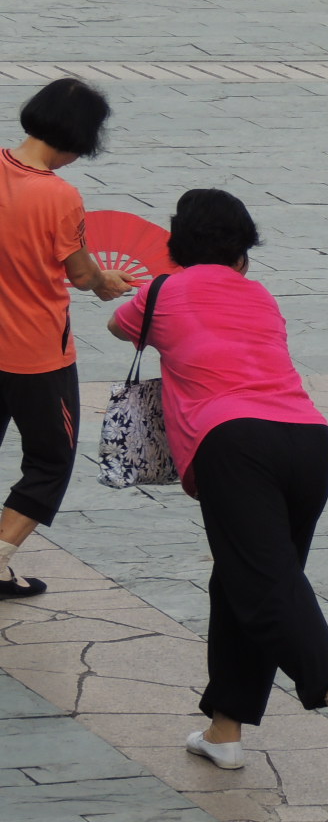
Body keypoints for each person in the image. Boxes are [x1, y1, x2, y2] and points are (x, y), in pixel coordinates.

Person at [108, 190, 328, 796]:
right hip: (309, 440)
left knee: (263, 584)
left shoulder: (161, 292)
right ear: (243, 253)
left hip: (234, 442)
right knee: (248, 579)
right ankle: (225, 730)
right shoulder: (259, 294)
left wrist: (140, 284)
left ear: (177, 244)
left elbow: (119, 323)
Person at [0, 79, 132, 599]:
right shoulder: (59, 196)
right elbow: (81, 276)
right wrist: (108, 282)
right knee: (51, 459)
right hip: (36, 352)